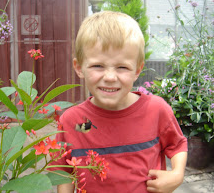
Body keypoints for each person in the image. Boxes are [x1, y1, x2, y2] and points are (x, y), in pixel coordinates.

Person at [50, 11, 187, 193]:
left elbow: (176, 144)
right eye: (98, 66)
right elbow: (64, 172)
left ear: (138, 70)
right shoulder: (73, 122)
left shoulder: (156, 110)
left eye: (122, 67)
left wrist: (177, 175)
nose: (110, 77)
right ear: (79, 67)